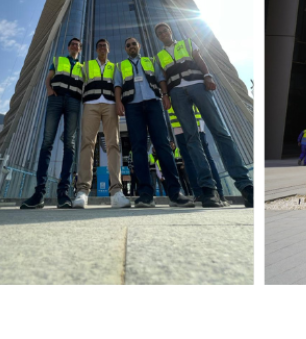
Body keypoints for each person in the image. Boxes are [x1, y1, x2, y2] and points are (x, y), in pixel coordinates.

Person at [155, 22, 252, 207]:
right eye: (159, 33)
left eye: (164, 30)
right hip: (176, 93)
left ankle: (245, 185)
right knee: (192, 139)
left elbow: (199, 59)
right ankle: (209, 189)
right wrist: (165, 95)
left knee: (220, 132)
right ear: (158, 36)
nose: (163, 34)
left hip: (197, 85)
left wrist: (208, 76)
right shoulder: (159, 56)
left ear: (170, 31)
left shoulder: (187, 43)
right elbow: (163, 77)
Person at [119, 38, 189, 208]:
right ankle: (145, 195)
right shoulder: (120, 66)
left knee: (163, 145)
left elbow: (160, 78)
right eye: (128, 45)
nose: (131, 47)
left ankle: (175, 193)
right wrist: (119, 102)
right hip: (132, 106)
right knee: (138, 147)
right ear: (125, 49)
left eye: (133, 44)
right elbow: (117, 85)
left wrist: (165, 95)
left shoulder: (150, 61)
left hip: (153, 103)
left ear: (139, 46)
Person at [21, 37, 87, 209]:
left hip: (73, 102)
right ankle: (39, 194)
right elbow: (49, 77)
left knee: (69, 145)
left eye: (77, 45)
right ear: (68, 47)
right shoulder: (58, 60)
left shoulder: (83, 67)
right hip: (56, 100)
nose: (74, 46)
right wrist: (49, 91)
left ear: (79, 49)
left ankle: (63, 194)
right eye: (72, 44)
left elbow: (85, 86)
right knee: (47, 142)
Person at [72, 38, 127, 210]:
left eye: (105, 45)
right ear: (96, 50)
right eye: (100, 46)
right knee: (87, 143)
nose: (102, 48)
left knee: (114, 145)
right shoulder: (86, 65)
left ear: (108, 49)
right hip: (91, 105)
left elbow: (119, 85)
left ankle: (116, 192)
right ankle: (82, 191)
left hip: (110, 105)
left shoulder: (115, 67)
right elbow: (76, 83)